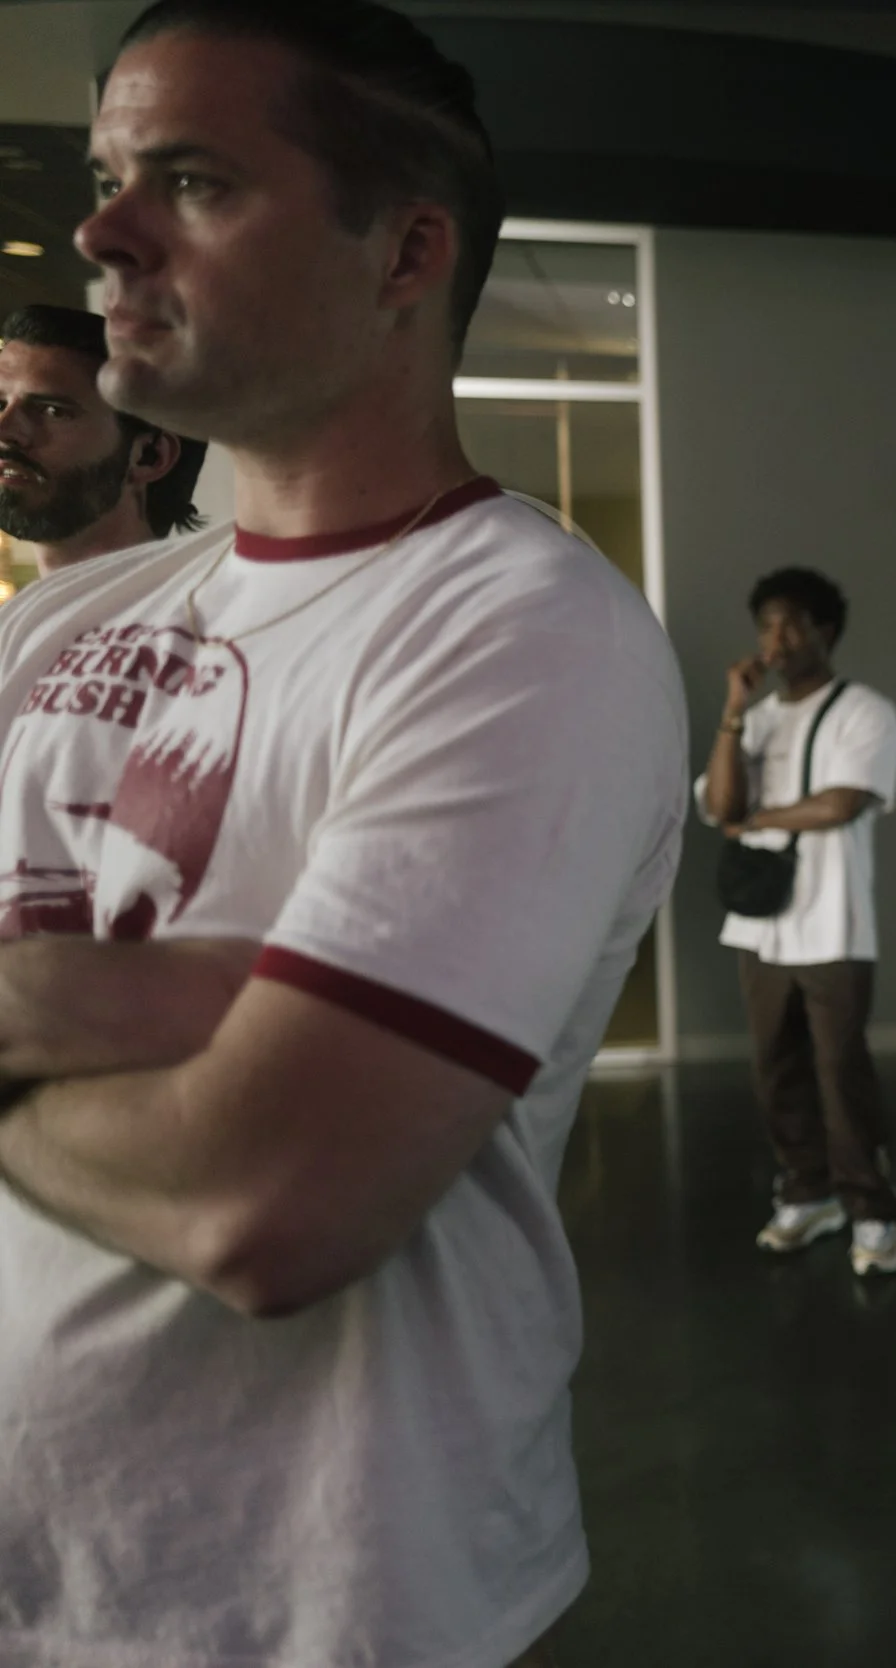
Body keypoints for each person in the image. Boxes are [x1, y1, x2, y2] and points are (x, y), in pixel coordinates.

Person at [0, 6, 688, 1667]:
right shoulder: (61, 620)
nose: (103, 233)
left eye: (191, 180)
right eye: (108, 177)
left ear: (406, 252)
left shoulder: (526, 628)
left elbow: (268, 1196)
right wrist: (203, 1000)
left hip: (306, 1605)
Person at [698, 567, 896, 1275]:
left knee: (840, 1071)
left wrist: (758, 820)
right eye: (766, 626)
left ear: (827, 630)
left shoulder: (865, 711)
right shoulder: (756, 718)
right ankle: (807, 1192)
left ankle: (872, 1209)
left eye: (791, 624)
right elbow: (720, 805)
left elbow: (842, 803)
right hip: (761, 928)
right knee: (775, 1069)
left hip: (833, 924)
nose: (777, 640)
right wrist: (733, 710)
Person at [0, 303, 205, 572]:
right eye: (0, 405)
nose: (5, 430)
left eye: (53, 411)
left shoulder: (197, 599)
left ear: (149, 457)